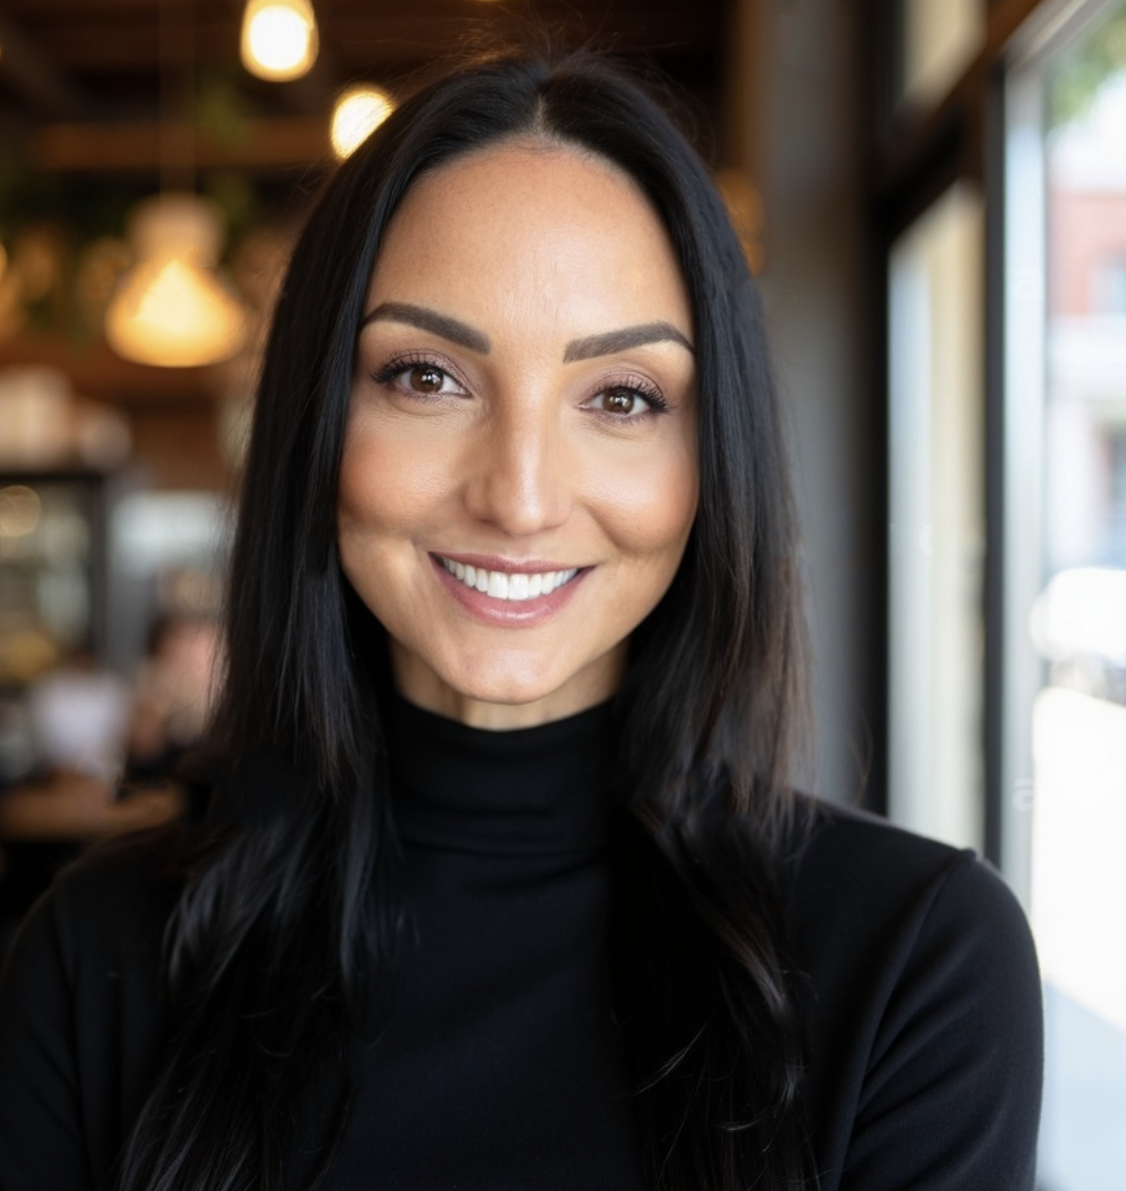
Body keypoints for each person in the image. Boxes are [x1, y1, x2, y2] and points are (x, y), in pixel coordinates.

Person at [0, 46, 1042, 1191]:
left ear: (714, 461)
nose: (521, 496)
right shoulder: (98, 959)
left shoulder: (911, 964)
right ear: (318, 421)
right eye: (427, 378)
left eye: (622, 397)